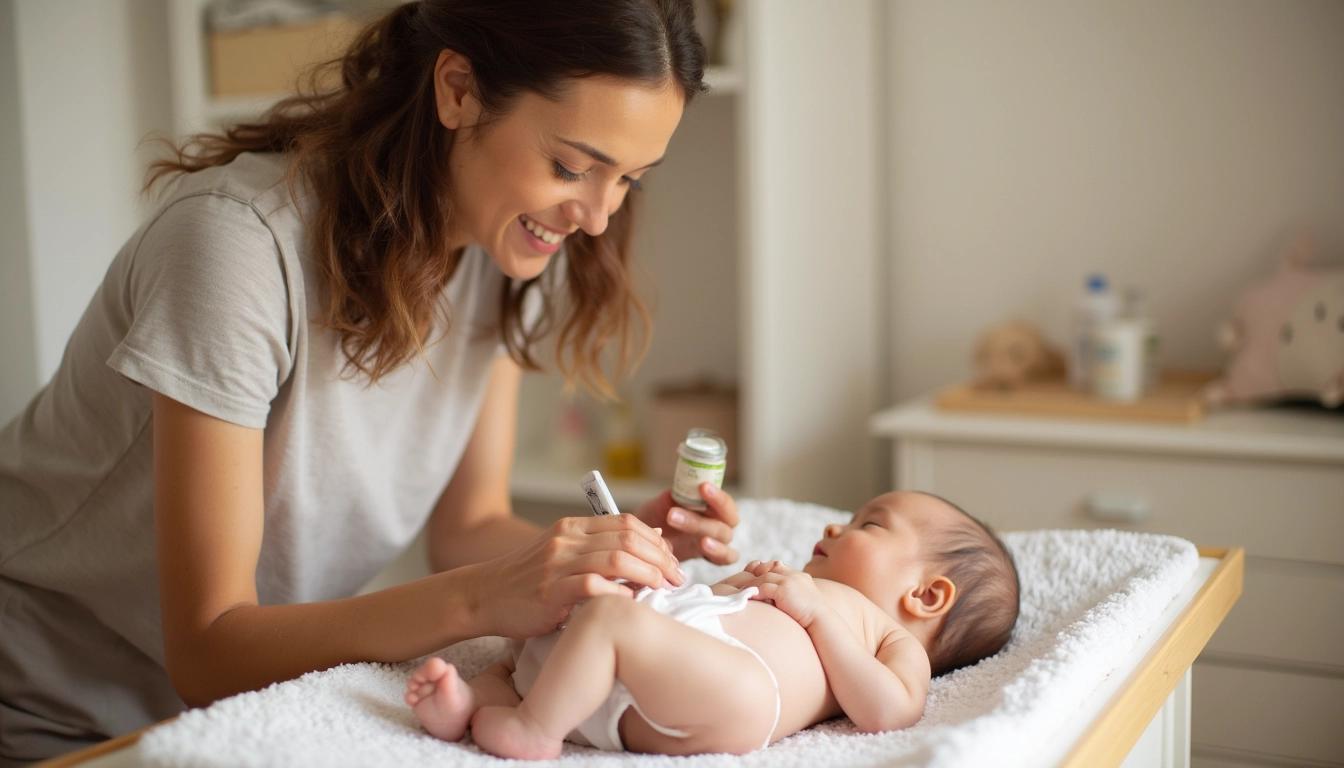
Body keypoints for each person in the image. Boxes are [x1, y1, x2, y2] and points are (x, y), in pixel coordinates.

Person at [0, 2, 741, 763]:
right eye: (573, 167)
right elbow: (208, 650)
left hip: (240, 712)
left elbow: (468, 528)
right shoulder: (236, 249)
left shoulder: (507, 251)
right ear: (458, 90)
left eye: (629, 181)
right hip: (47, 712)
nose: (596, 217)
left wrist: (616, 560)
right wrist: (482, 596)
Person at [404, 490, 1021, 759]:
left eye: (870, 524)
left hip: (738, 692)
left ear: (927, 595)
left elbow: (888, 711)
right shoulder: (793, 580)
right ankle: (473, 703)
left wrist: (815, 614)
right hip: (656, 678)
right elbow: (698, 603)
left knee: (609, 620)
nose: (837, 527)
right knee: (546, 622)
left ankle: (536, 729)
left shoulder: (890, 637)